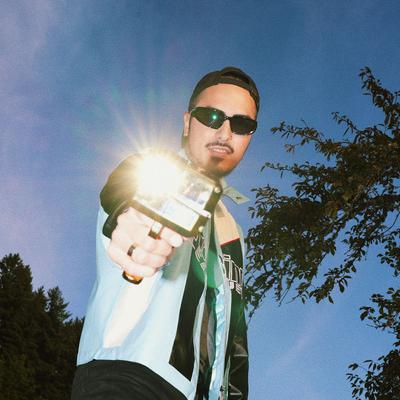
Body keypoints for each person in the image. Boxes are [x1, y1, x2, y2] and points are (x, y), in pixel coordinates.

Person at [71, 66, 260, 400]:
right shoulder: (156, 168)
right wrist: (129, 219)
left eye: (241, 124)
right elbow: (125, 193)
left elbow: (234, 337)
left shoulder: (233, 232)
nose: (225, 132)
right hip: (127, 376)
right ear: (188, 123)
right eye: (212, 116)